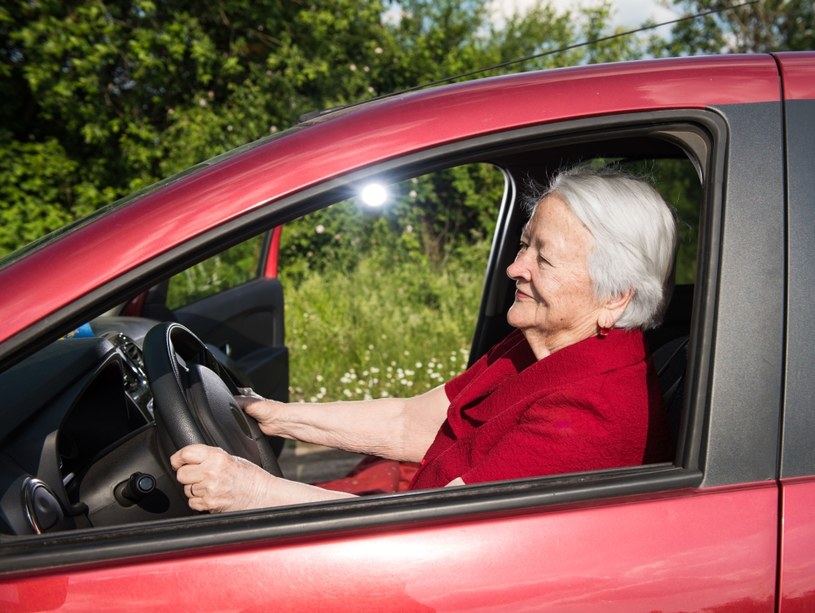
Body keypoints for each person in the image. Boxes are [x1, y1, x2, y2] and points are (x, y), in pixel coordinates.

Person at [170, 168, 678, 512]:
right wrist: (277, 415)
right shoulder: (542, 344)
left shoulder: (595, 413)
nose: (514, 267)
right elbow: (414, 421)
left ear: (616, 295)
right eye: (524, 244)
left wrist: (254, 491)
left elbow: (433, 531)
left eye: (542, 258)